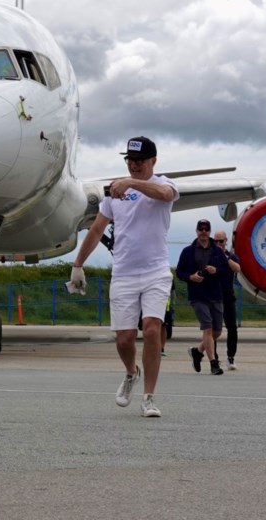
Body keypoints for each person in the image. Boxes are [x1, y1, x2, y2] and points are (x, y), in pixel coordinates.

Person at [69, 136, 178, 417]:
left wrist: (132, 183)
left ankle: (150, 397)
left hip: (155, 271)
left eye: (139, 161)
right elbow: (96, 230)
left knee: (153, 328)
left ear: (153, 161)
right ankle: (131, 372)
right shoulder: (114, 195)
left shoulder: (165, 184)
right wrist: (78, 264)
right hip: (124, 273)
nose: (133, 165)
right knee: (124, 339)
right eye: (129, 161)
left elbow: (164, 195)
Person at [177, 219, 237, 376]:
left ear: (209, 231)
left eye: (206, 229)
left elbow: (226, 272)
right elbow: (179, 272)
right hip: (198, 295)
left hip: (215, 294)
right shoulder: (187, 251)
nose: (203, 232)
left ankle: (197, 351)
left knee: (217, 331)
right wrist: (191, 277)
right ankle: (213, 364)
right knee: (208, 328)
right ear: (196, 231)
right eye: (200, 229)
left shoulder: (217, 252)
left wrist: (215, 270)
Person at [213, 229, 241, 370]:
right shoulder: (210, 255)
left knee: (232, 327)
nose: (218, 244)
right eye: (215, 241)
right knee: (214, 328)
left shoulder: (230, 256)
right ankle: (215, 359)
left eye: (221, 241)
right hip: (213, 296)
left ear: (226, 242)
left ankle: (231, 357)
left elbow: (237, 269)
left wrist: (226, 257)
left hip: (228, 295)